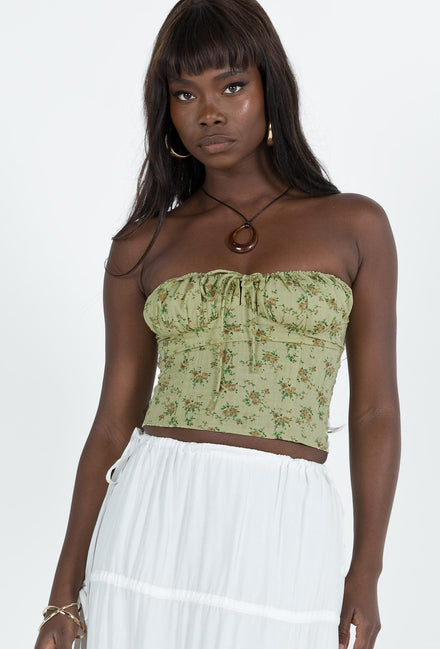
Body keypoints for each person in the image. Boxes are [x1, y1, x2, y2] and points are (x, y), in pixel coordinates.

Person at [34, 1, 401, 648]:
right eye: (186, 93)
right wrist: (62, 595)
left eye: (231, 86)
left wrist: (365, 571)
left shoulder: (354, 226)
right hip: (151, 514)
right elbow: (112, 424)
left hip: (283, 526)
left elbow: (375, 410)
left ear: (269, 88)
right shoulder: (142, 245)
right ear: (167, 111)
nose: (209, 112)